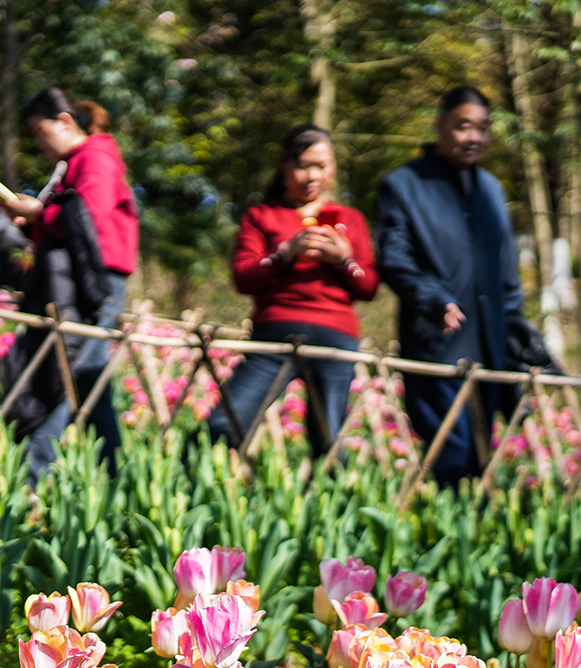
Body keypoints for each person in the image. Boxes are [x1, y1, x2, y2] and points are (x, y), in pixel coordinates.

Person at [374, 85, 532, 488]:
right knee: (450, 457)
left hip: (490, 346)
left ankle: (474, 526)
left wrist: (514, 323)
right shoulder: (403, 185)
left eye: (483, 128)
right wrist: (433, 300)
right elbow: (394, 259)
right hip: (438, 343)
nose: (474, 137)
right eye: (464, 126)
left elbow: (506, 269)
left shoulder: (491, 190)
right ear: (440, 126)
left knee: (482, 461)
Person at [208, 124, 378, 457]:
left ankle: (325, 490)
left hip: (335, 337)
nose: (313, 176)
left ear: (333, 168)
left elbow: (368, 286)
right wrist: (285, 252)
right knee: (224, 424)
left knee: (329, 444)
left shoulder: (350, 218)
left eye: (322, 166)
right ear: (285, 166)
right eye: (303, 166)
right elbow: (243, 278)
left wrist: (344, 260)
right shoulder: (263, 215)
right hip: (274, 336)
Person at [0, 89, 138, 480]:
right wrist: (33, 221)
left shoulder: (95, 157)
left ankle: (34, 476)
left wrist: (38, 213)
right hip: (75, 283)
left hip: (96, 284)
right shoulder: (71, 164)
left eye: (41, 132)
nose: (39, 143)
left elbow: (89, 216)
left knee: (72, 376)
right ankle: (114, 480)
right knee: (89, 383)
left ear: (65, 122)